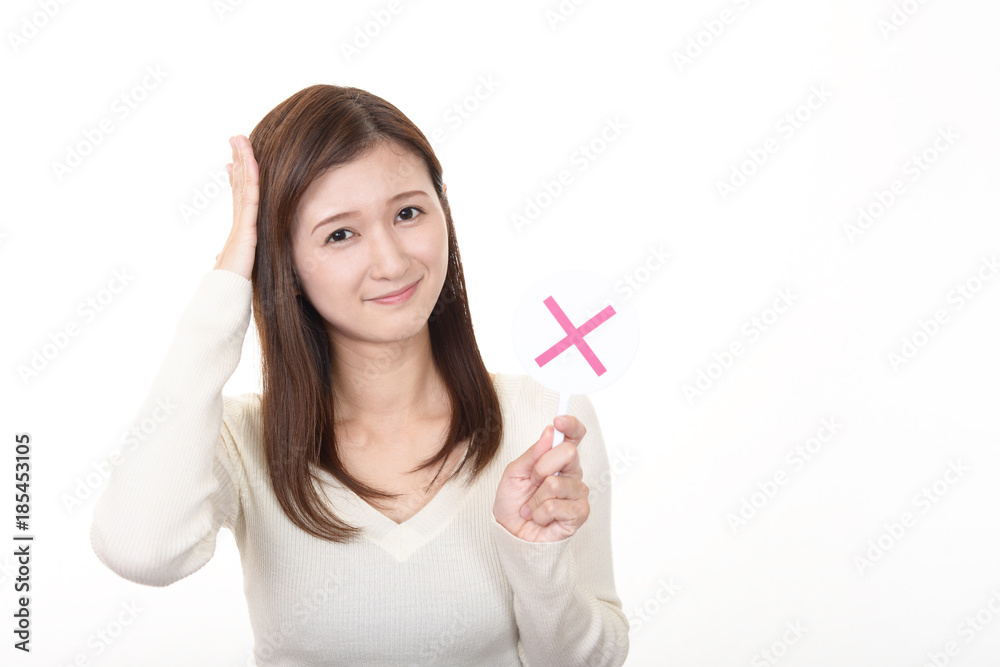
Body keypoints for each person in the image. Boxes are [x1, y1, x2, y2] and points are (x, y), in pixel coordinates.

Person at [89, 84, 629, 666]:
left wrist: (539, 560)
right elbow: (142, 551)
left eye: (408, 213)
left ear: (444, 212)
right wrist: (228, 282)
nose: (393, 262)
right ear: (283, 261)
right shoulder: (241, 441)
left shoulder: (545, 422)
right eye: (340, 234)